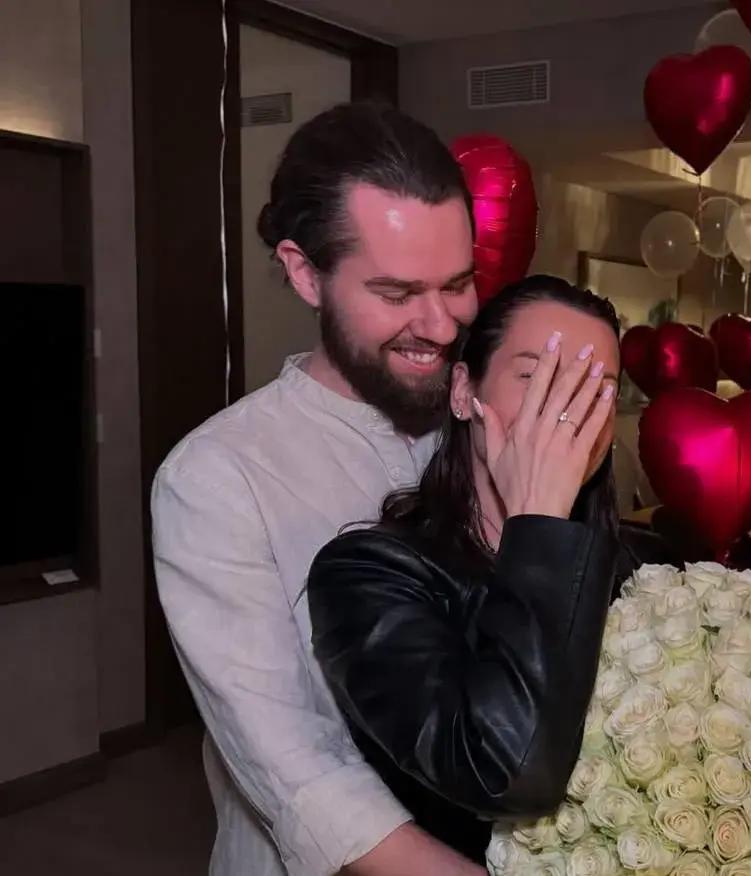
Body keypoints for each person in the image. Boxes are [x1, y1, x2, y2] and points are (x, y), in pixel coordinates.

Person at [151, 103, 485, 876]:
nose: (440, 325)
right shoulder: (216, 478)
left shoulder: (488, 422)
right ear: (306, 273)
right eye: (397, 293)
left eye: (460, 283)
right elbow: (299, 772)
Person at [307, 276, 622, 864]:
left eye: (596, 390)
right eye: (535, 376)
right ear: (462, 391)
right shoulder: (369, 574)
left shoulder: (639, 572)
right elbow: (506, 773)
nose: (565, 410)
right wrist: (538, 519)